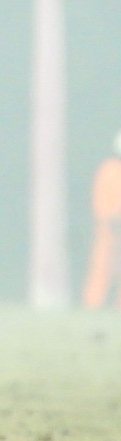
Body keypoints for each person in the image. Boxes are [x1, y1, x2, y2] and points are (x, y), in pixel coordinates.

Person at [82, 132, 121, 309]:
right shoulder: (109, 170)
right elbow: (102, 201)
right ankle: (93, 304)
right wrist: (111, 218)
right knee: (102, 266)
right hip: (109, 228)